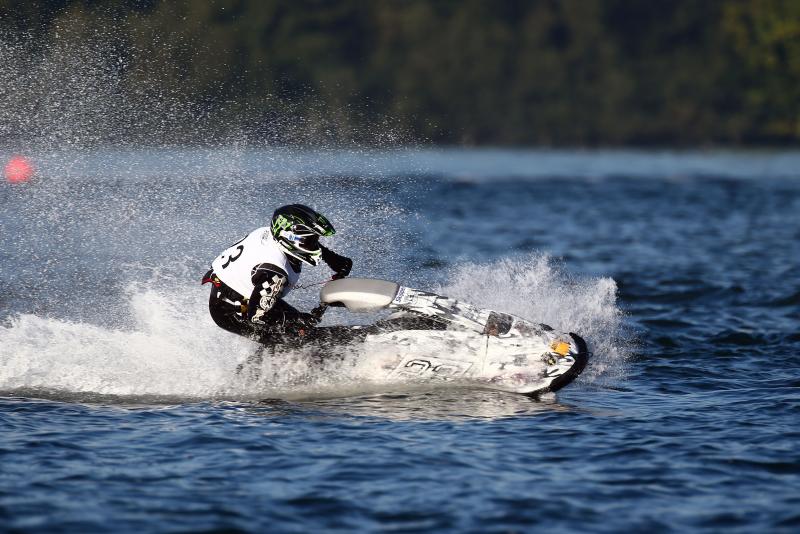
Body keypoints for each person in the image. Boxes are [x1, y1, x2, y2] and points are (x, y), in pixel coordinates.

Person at [202, 204, 352, 343]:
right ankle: (275, 361)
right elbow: (257, 316)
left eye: (314, 239)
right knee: (295, 337)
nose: (315, 245)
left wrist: (334, 260)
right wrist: (297, 321)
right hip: (230, 311)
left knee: (298, 328)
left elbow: (303, 241)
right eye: (311, 241)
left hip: (240, 293)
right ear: (289, 239)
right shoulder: (275, 273)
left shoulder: (272, 233)